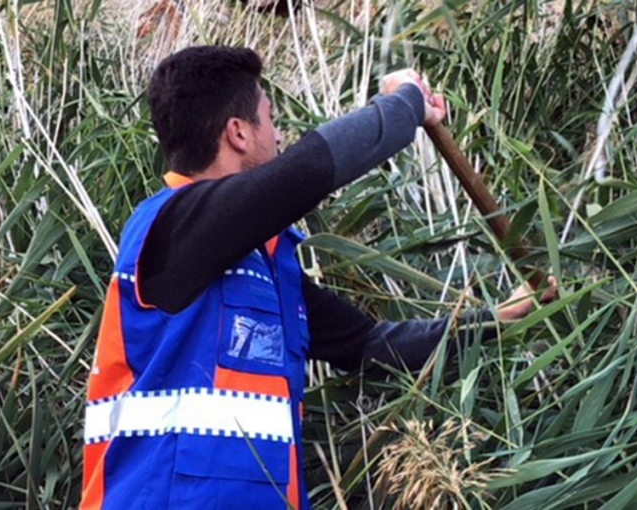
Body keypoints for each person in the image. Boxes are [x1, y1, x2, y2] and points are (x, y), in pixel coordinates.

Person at [81, 46, 557, 509]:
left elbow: (370, 346)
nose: (280, 135)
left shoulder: (270, 267)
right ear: (239, 133)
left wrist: (499, 319)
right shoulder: (173, 228)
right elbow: (307, 171)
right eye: (271, 118)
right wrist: (406, 103)